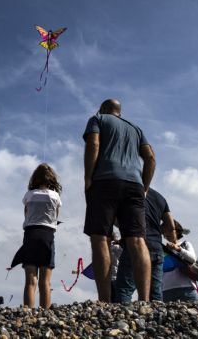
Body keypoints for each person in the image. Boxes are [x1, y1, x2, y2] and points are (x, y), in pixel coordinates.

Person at [83, 98, 156, 302]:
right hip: (134, 185)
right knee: (137, 240)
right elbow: (150, 158)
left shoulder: (98, 119)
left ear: (103, 109)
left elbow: (94, 143)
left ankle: (105, 300)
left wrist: (88, 177)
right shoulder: (136, 129)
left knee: (101, 238)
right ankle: (145, 301)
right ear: (119, 112)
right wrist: (145, 187)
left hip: (104, 181)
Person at [10, 163, 62, 309]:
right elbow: (56, 216)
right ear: (51, 179)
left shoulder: (29, 195)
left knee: (30, 280)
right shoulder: (55, 196)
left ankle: (28, 312)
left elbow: (26, 214)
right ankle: (45, 312)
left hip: (30, 234)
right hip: (47, 235)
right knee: (45, 281)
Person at [114, 188, 177, 302]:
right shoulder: (159, 198)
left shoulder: (126, 190)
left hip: (134, 245)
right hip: (156, 248)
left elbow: (114, 219)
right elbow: (171, 226)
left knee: (125, 289)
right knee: (155, 292)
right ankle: (155, 313)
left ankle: (124, 313)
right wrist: (154, 230)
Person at [162, 221, 198, 302]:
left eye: (169, 230)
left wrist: (178, 249)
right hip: (166, 290)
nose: (166, 234)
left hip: (186, 288)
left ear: (177, 231)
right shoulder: (163, 249)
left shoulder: (185, 244)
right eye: (164, 231)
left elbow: (193, 259)